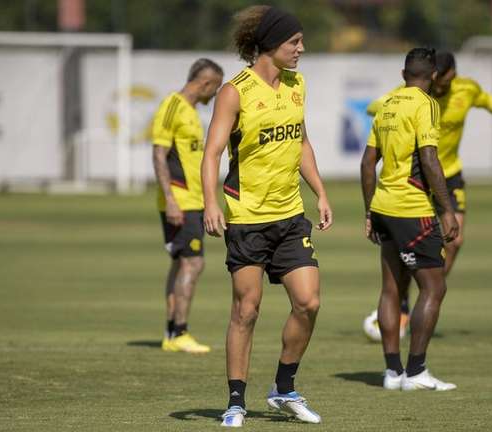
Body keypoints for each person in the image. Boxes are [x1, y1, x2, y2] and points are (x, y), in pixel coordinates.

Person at [200, 6, 332, 427]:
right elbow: (212, 153)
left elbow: (303, 143)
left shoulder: (297, 85)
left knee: (308, 302)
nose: (301, 49)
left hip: (290, 214)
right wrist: (210, 202)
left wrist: (321, 193)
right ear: (272, 44)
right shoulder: (234, 91)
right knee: (247, 309)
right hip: (247, 218)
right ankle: (236, 401)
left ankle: (283, 387)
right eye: (294, 42)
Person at [363, 51, 492, 338]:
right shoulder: (414, 98)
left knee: (455, 240)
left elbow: (485, 99)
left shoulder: (466, 89)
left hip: (449, 174)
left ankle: (426, 297)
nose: (442, 86)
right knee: (406, 252)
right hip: (416, 179)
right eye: (438, 81)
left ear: (450, 75)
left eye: (446, 81)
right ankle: (413, 302)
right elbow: (375, 108)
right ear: (432, 76)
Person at [361, 47, 459, 391]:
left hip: (385, 208)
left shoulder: (386, 103)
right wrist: (447, 209)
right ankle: (416, 372)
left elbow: (367, 162)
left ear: (403, 74)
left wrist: (370, 210)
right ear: (432, 77)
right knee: (434, 286)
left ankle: (392, 373)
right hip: (411, 208)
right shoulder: (425, 103)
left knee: (391, 288)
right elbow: (430, 159)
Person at [152, 58, 223, 353]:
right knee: (194, 262)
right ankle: (180, 332)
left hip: (194, 200)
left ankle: (172, 334)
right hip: (181, 201)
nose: (215, 95)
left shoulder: (192, 113)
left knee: (182, 263)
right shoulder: (173, 105)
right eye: (215, 88)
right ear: (205, 83)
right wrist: (170, 201)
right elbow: (159, 154)